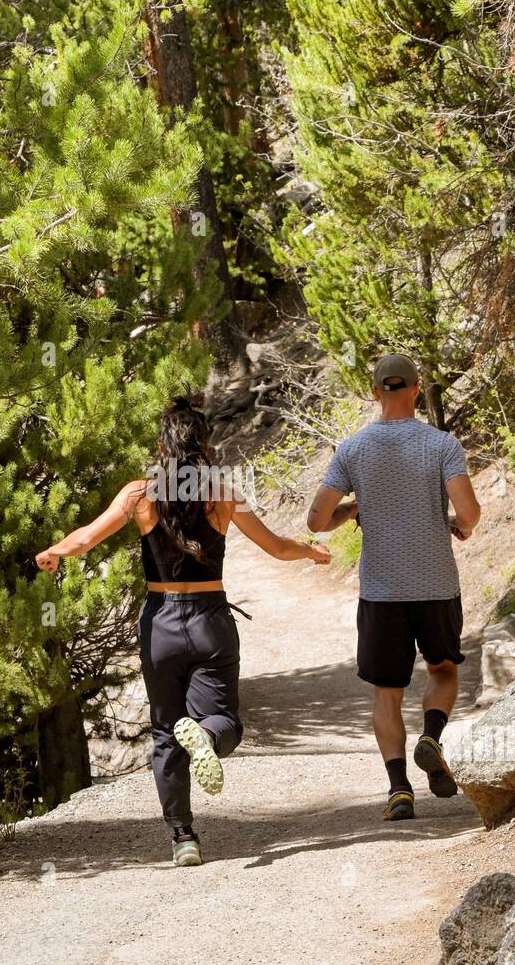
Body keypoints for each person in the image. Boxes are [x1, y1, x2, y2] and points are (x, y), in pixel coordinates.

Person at [36, 396, 330, 865]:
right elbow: (275, 547)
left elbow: (87, 537)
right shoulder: (222, 492)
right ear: (206, 446)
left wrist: (55, 551)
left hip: (161, 624)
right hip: (211, 619)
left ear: (161, 446)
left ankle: (183, 838)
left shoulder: (140, 494)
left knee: (164, 731)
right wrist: (311, 552)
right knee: (225, 721)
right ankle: (207, 740)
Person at [307, 354, 481, 821]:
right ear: (417, 389)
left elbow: (317, 520)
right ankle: (431, 736)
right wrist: (455, 524)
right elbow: (470, 512)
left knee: (387, 691)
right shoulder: (442, 444)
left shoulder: (352, 449)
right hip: (436, 584)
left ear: (374, 390)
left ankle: (399, 790)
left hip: (381, 591)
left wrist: (351, 510)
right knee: (443, 669)